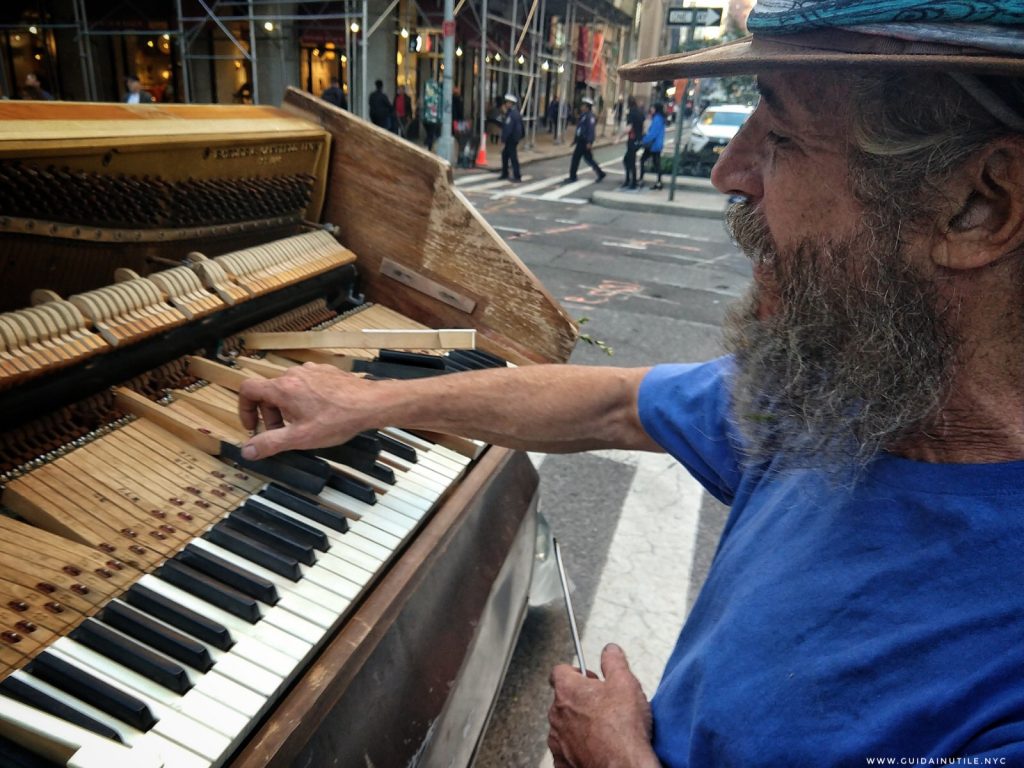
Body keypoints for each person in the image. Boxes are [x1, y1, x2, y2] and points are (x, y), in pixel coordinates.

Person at [235, 1, 1024, 763]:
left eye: (781, 134)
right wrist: (370, 401)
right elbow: (613, 403)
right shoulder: (837, 396)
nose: (728, 171)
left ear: (979, 207)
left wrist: (614, 758)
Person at [564, 97, 605, 183]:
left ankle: (573, 176)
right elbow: (580, 129)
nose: (581, 107)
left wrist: (589, 142)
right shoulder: (584, 116)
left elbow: (590, 130)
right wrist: (575, 140)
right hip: (581, 140)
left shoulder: (589, 117)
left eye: (583, 105)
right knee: (588, 159)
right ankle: (600, 173)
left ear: (587, 107)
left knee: (576, 158)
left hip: (584, 141)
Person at [638, 102, 666, 190]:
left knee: (643, 160)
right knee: (657, 163)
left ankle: (642, 180)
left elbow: (652, 134)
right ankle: (658, 182)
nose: (651, 109)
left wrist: (643, 140)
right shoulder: (661, 118)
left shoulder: (657, 119)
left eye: (652, 108)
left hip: (653, 145)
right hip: (657, 144)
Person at [620, 96, 645, 190]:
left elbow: (629, 127)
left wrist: (618, 138)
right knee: (628, 160)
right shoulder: (640, 112)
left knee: (629, 161)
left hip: (632, 139)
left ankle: (632, 181)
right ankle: (629, 180)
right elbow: (644, 124)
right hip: (639, 139)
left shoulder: (631, 113)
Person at [499, 93, 523, 182]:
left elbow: (508, 128)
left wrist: (503, 139)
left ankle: (517, 176)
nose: (506, 104)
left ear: (511, 103)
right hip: (513, 138)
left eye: (507, 102)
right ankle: (505, 173)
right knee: (505, 155)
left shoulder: (512, 114)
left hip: (511, 139)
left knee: (513, 157)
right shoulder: (513, 113)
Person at [422, 79, 441, 151]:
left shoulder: (428, 97)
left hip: (428, 118)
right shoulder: (436, 98)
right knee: (431, 134)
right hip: (432, 118)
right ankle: (427, 145)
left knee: (430, 134)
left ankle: (428, 146)